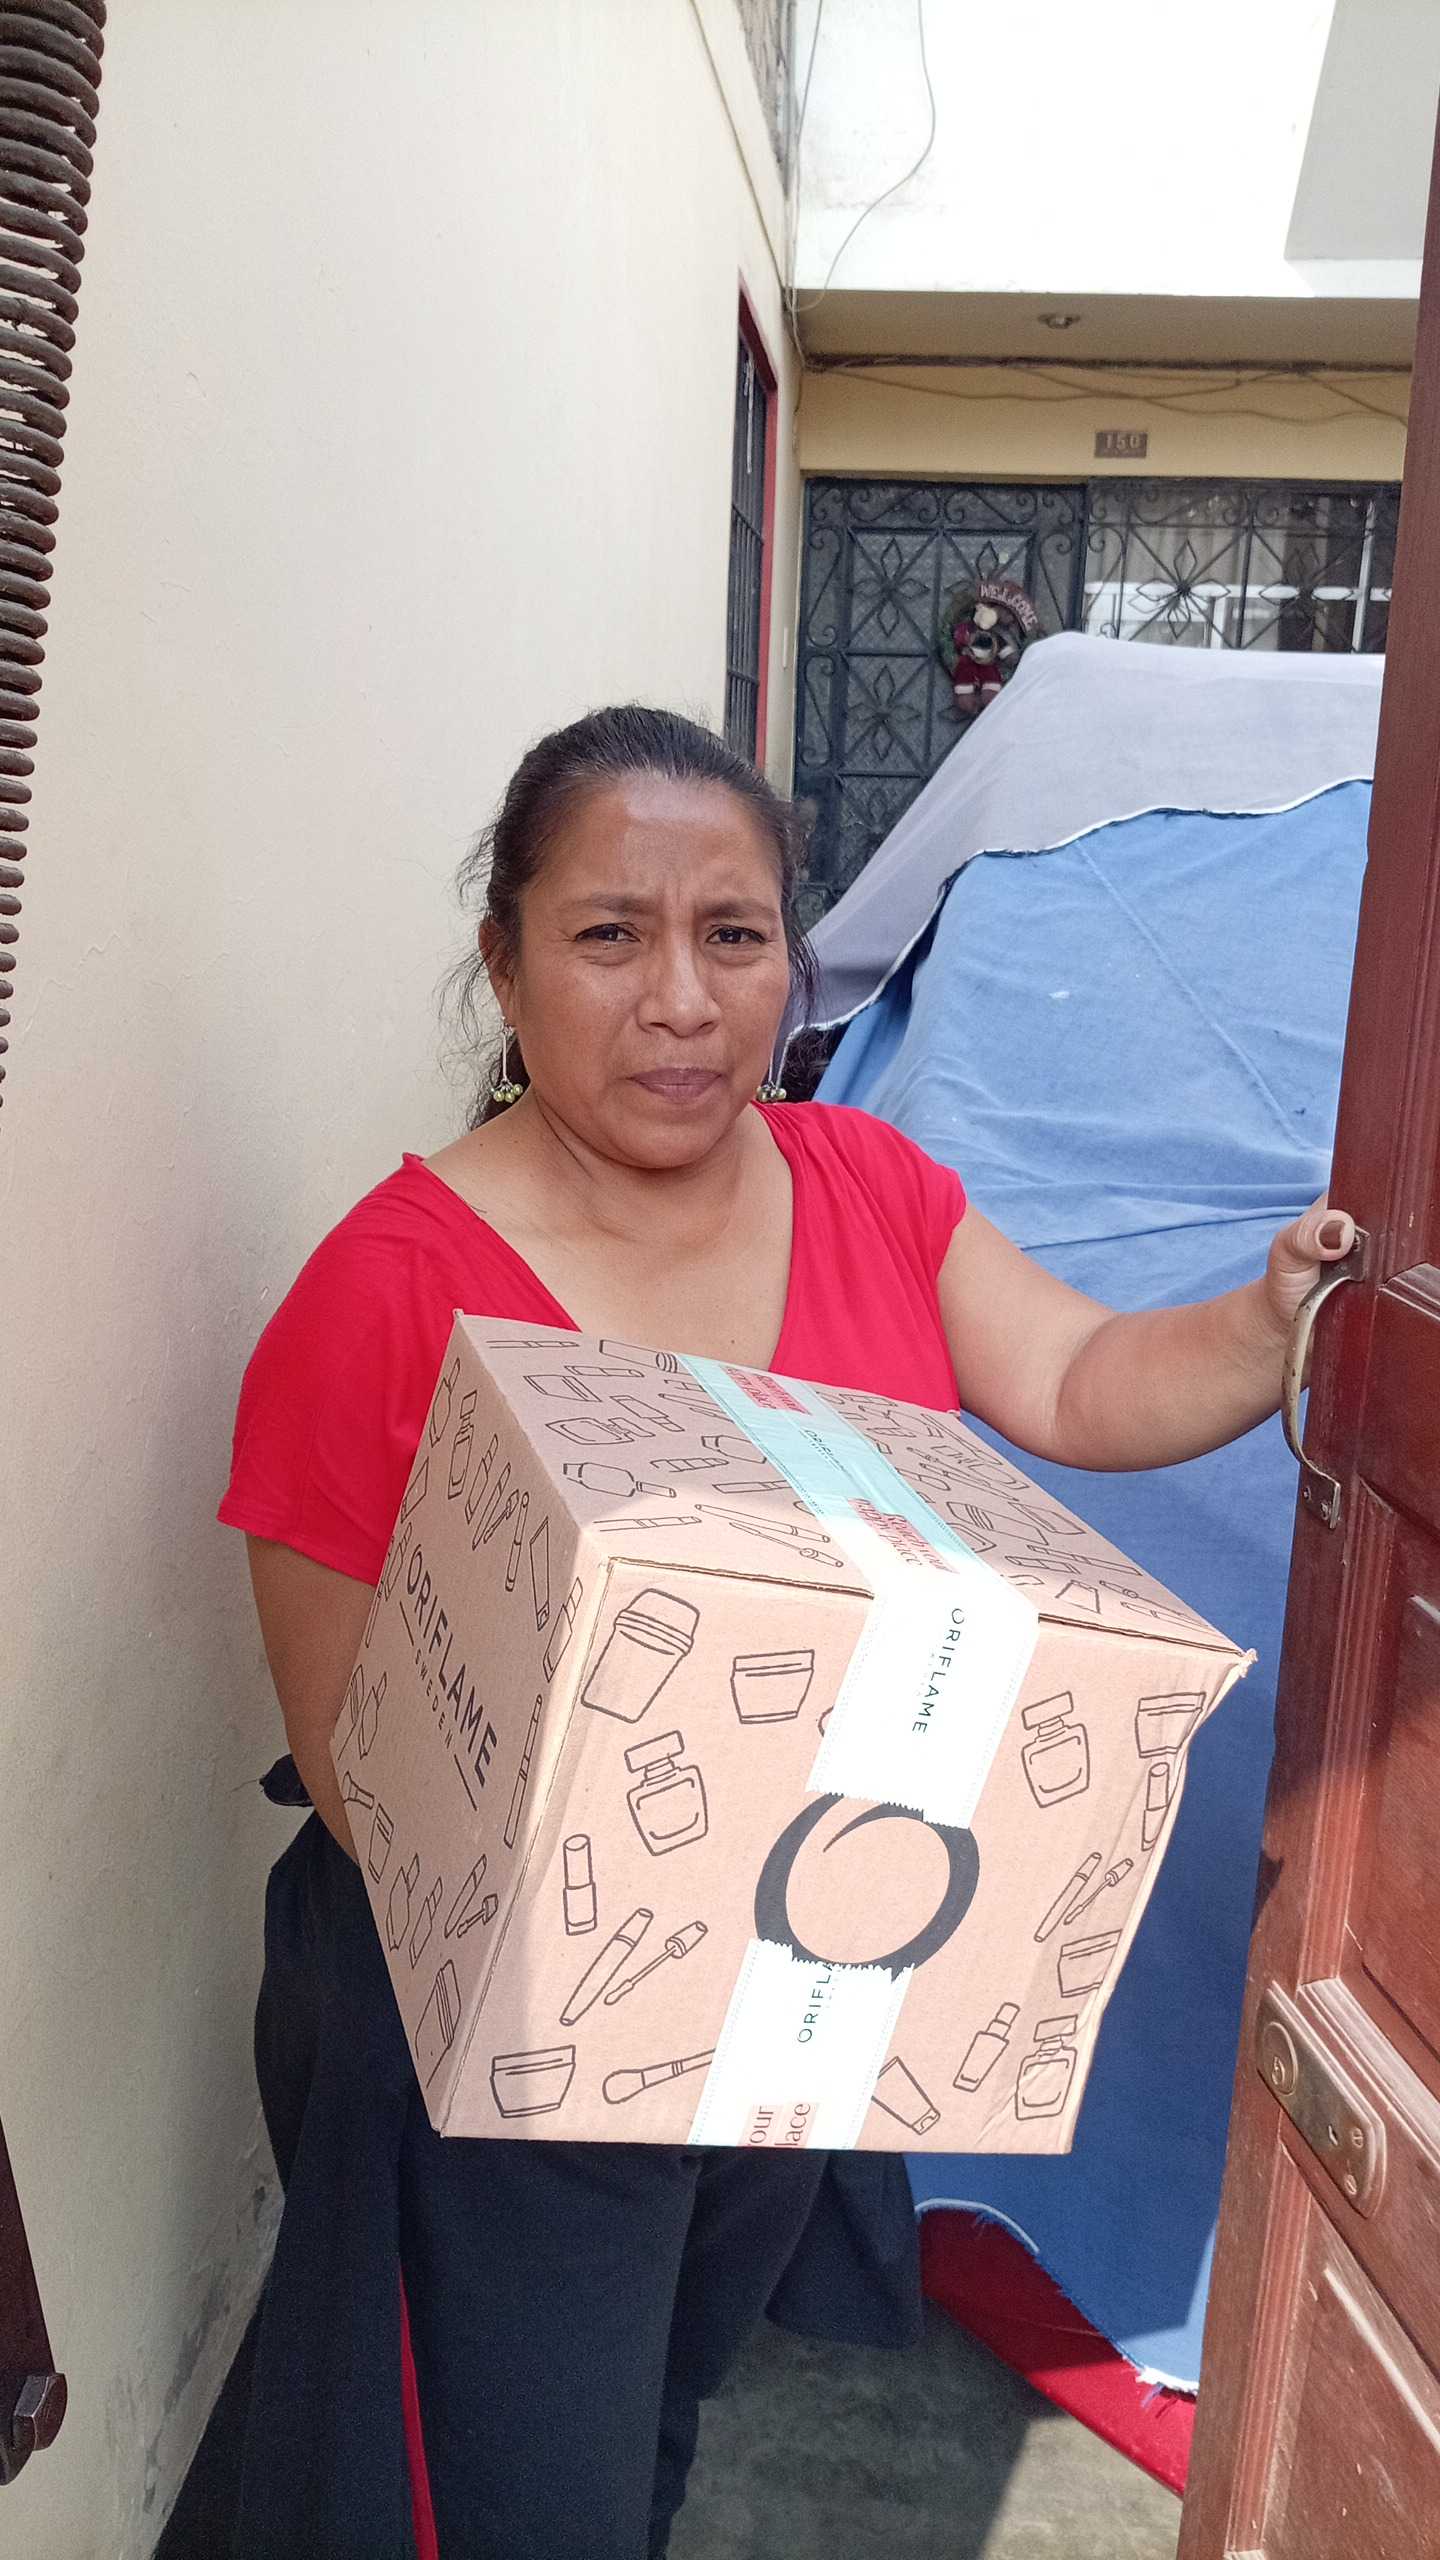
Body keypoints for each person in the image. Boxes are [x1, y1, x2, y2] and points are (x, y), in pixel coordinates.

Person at [219, 704, 1354, 2559]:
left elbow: (1073, 1373)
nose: (680, 999)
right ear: (504, 963)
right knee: (499, 2500)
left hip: (777, 1991)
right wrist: (625, 1923)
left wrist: (1268, 1316)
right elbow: (358, 1761)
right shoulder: (390, 1294)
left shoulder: (865, 1188)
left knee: (658, 2425)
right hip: (497, 2036)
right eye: (609, 934)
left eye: (732, 935)